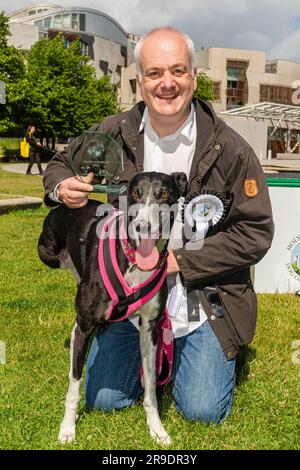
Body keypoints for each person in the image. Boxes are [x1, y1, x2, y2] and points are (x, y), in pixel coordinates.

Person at [43, 27, 274, 424]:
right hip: (126, 293)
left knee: (201, 411)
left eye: (178, 71)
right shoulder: (113, 131)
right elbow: (61, 163)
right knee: (104, 401)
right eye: (154, 73)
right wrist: (61, 185)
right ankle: (140, 345)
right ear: (140, 81)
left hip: (202, 300)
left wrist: (176, 261)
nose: (167, 83)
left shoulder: (233, 149)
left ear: (194, 77)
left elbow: (255, 233)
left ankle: (200, 353)